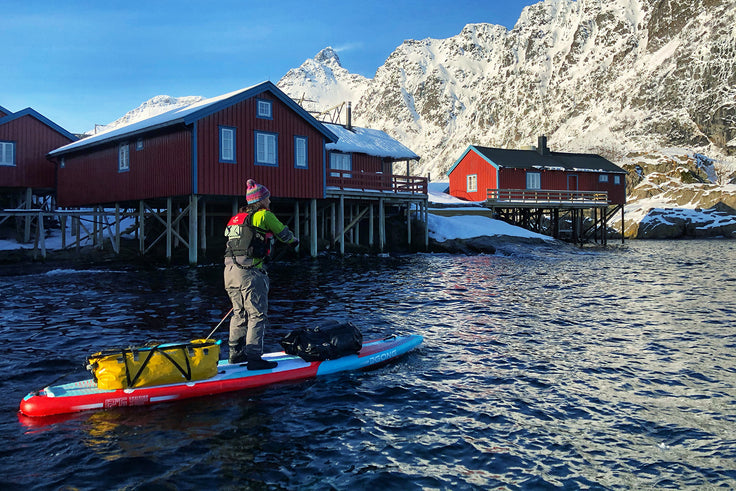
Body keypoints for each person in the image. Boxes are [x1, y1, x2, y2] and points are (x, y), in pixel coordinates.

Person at [223, 179, 299, 370]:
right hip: (249, 273)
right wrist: (293, 241)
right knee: (256, 315)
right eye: (268, 199)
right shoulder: (264, 215)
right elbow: (283, 233)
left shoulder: (236, 218)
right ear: (261, 200)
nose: (270, 202)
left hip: (229, 273)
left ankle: (235, 355)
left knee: (238, 314)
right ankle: (255, 358)